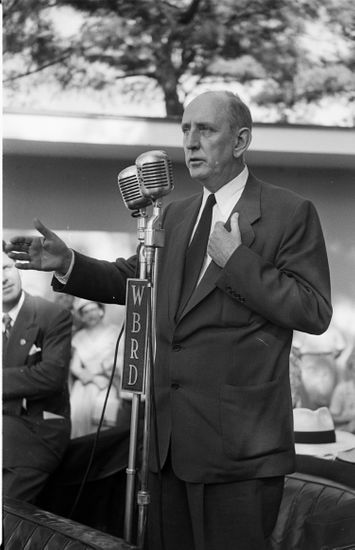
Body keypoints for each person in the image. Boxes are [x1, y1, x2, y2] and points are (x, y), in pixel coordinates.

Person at [5, 90, 332, 550]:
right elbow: (131, 278)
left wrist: (237, 260)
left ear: (241, 141)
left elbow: (314, 310)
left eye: (206, 130)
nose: (190, 141)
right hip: (166, 446)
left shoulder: (289, 212)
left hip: (239, 452)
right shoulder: (174, 216)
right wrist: (67, 263)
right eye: (185, 129)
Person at [2, 250, 72, 503]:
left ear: (17, 268)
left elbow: (51, 376)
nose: (2, 279)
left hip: (37, 432)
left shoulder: (51, 315)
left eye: (6, 268)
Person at [69, 298, 122, 438]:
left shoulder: (114, 333)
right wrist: (93, 378)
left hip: (108, 384)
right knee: (78, 422)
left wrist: (104, 372)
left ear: (100, 310)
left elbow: (119, 360)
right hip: (84, 387)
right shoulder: (79, 337)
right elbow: (75, 367)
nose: (90, 314)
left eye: (92, 310)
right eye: (85, 312)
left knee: (103, 425)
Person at [330, 345, 355, 433]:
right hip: (346, 429)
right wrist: (350, 418)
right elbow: (333, 416)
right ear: (351, 370)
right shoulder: (342, 389)